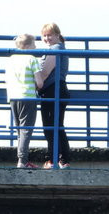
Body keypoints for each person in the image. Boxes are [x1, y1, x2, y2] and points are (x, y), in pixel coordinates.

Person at [5, 34, 44, 169]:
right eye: (34, 44)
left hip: (13, 96)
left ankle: (21, 159)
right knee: (26, 129)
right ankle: (22, 161)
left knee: (19, 129)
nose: (36, 47)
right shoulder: (32, 59)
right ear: (27, 46)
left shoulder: (10, 59)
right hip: (27, 97)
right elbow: (39, 82)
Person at [38, 22, 71, 169]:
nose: (47, 38)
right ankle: (61, 159)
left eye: (50, 35)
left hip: (53, 89)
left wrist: (33, 84)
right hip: (56, 88)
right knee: (55, 125)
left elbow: (45, 72)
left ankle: (54, 159)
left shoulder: (55, 48)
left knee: (51, 126)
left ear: (57, 35)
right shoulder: (57, 48)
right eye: (44, 35)